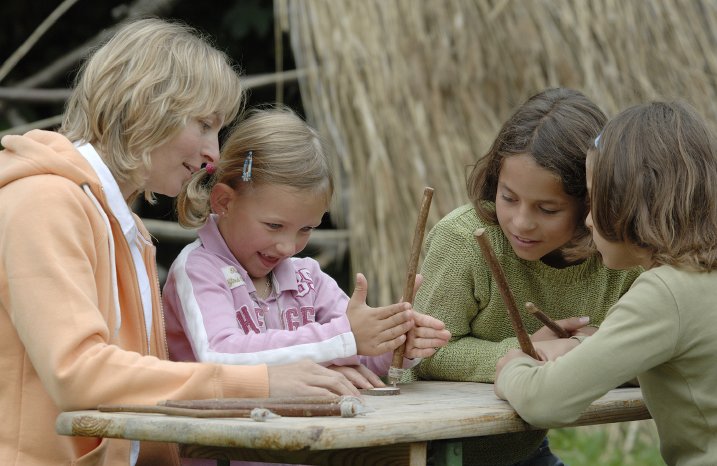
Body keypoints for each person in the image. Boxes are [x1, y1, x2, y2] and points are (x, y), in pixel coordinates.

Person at [0, 18, 362, 466]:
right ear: (148, 106)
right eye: (205, 124)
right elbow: (77, 374)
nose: (214, 154)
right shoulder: (44, 201)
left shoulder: (119, 223)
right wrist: (261, 383)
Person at [407, 88, 642, 465]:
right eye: (508, 197)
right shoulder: (464, 241)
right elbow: (425, 354)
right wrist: (527, 353)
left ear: (592, 202)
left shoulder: (619, 257)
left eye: (547, 209)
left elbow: (645, 355)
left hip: (523, 450)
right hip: (430, 450)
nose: (521, 222)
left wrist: (590, 348)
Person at [162, 105, 451, 390]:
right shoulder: (199, 269)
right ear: (224, 202)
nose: (289, 247)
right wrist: (342, 338)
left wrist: (396, 341)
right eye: (274, 226)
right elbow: (220, 355)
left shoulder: (307, 279)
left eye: (306, 229)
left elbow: (359, 350)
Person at [496, 100, 717, 466]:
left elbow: (546, 402)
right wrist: (589, 345)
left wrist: (513, 368)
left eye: (593, 197)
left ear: (626, 202)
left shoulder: (664, 293)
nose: (588, 222)